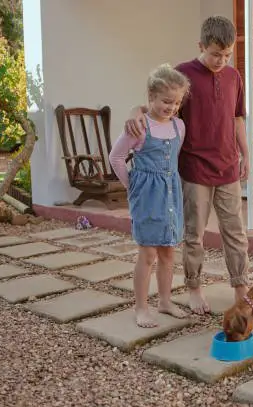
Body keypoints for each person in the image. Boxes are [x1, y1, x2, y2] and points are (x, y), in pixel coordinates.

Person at [124, 16, 250, 315]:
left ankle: (241, 290)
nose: (221, 60)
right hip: (194, 169)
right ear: (201, 46)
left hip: (228, 167)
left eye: (227, 54)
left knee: (236, 233)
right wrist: (135, 109)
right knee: (194, 233)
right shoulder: (183, 73)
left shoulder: (234, 77)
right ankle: (194, 287)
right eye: (215, 54)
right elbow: (159, 102)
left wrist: (246, 154)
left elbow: (237, 119)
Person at [109, 63, 190, 327]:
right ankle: (141, 307)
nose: (172, 107)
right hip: (147, 197)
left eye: (176, 102)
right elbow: (117, 157)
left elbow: (172, 160)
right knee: (147, 254)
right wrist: (130, 185)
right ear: (151, 97)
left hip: (170, 196)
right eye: (166, 101)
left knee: (168, 253)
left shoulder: (179, 126)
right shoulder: (139, 126)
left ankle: (165, 301)